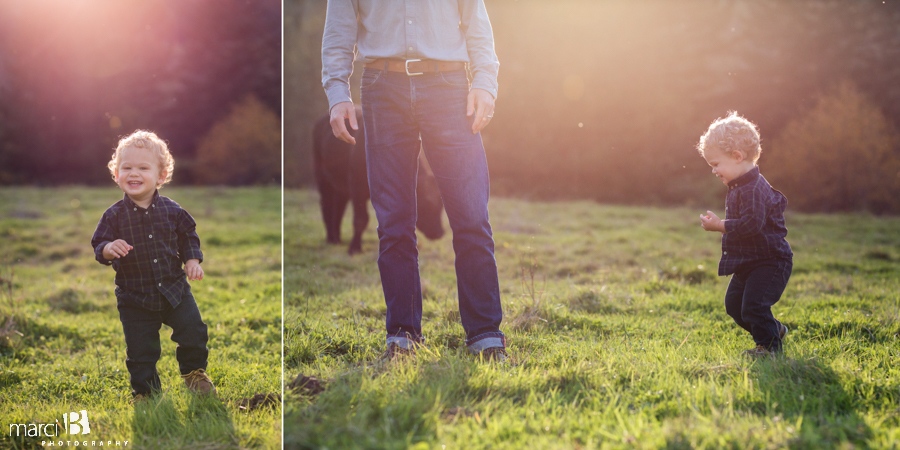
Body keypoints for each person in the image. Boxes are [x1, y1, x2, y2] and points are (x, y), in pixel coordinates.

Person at [321, 0, 508, 361]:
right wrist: (337, 93)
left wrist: (485, 81)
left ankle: (485, 334)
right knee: (393, 222)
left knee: (471, 216)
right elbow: (339, 31)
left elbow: (476, 23)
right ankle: (403, 337)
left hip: (450, 86)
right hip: (381, 87)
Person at [91, 130, 216, 401]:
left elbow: (188, 235)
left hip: (174, 290)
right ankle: (146, 392)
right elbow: (99, 245)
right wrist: (109, 249)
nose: (133, 173)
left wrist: (192, 260)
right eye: (127, 168)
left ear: (160, 176)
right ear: (116, 174)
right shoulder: (113, 216)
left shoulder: (173, 210)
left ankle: (194, 373)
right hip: (135, 297)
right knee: (140, 350)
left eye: (143, 168)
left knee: (194, 332)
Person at [697, 112, 793, 357]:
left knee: (753, 306)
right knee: (734, 307)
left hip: (769, 262)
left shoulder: (753, 188)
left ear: (737, 156)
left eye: (716, 164)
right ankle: (774, 331)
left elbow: (752, 225)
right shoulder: (739, 185)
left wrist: (720, 225)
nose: (713, 171)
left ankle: (770, 349)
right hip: (748, 262)